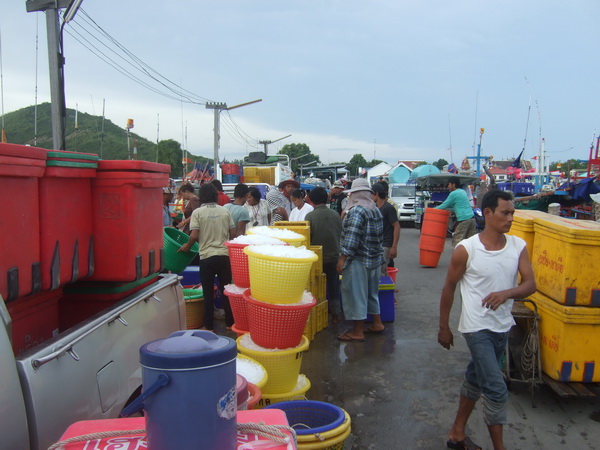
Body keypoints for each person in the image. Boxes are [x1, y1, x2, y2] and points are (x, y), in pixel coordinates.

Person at [438, 189, 536, 450]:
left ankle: (457, 433)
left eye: (512, 213)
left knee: (475, 379)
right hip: (476, 328)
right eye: (505, 213)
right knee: (495, 388)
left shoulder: (518, 246)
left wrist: (507, 293)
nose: (510, 218)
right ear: (488, 213)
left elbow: (530, 284)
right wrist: (443, 327)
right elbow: (448, 288)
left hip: (502, 326)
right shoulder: (466, 249)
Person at [179, 183, 236, 331]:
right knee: (226, 291)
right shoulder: (225, 211)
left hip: (206, 257)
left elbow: (194, 235)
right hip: (224, 256)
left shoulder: (198, 213)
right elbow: (233, 234)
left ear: (202, 196)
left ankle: (209, 326)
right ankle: (230, 323)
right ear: (215, 196)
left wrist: (187, 246)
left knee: (208, 292)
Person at [336, 178, 385, 341]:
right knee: (372, 293)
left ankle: (358, 331)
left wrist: (342, 259)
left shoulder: (357, 211)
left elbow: (352, 238)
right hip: (374, 259)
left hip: (359, 260)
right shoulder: (375, 209)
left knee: (357, 295)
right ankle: (377, 323)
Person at [305, 187, 343, 323]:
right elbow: (340, 234)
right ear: (327, 198)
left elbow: (307, 238)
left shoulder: (310, 216)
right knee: (333, 286)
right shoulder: (335, 214)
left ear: (310, 200)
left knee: (315, 286)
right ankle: (336, 314)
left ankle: (316, 314)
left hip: (317, 259)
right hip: (334, 257)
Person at [435, 176, 476, 247]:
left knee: (457, 242)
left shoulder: (453, 194)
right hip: (472, 219)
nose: (448, 186)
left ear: (453, 184)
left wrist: (432, 210)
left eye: (449, 184)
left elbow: (444, 205)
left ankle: (458, 257)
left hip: (464, 220)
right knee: (470, 242)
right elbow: (458, 205)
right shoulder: (462, 191)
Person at [371, 183, 400, 276]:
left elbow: (396, 226)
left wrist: (394, 246)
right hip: (376, 245)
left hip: (385, 244)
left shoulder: (388, 208)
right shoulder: (374, 208)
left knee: (381, 271)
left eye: (372, 193)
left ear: (377, 194)